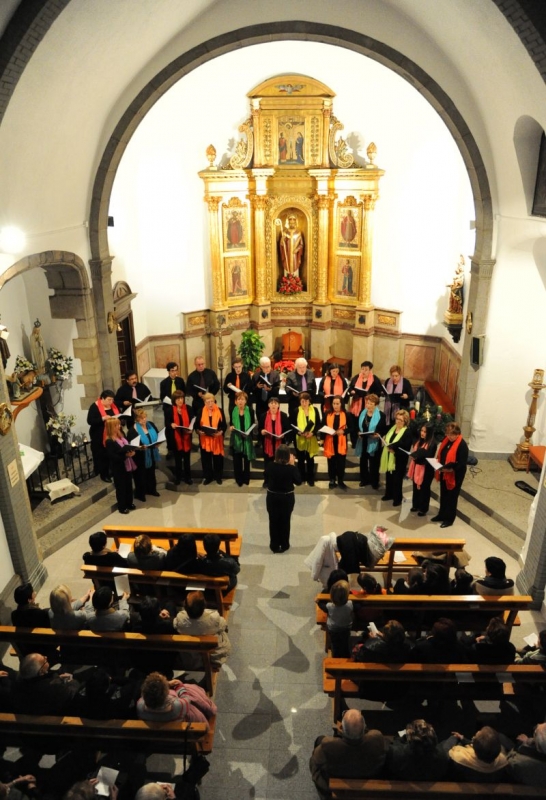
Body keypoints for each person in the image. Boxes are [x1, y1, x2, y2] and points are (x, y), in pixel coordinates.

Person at [309, 708, 386, 800]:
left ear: (342, 728)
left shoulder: (328, 746)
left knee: (318, 743)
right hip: (368, 775)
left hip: (336, 780)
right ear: (364, 727)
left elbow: (315, 760)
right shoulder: (376, 739)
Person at [173, 590, 231, 667]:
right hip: (212, 654)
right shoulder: (214, 617)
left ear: (185, 606)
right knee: (221, 631)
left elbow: (175, 625)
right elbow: (224, 625)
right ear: (204, 605)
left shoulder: (180, 617)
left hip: (190, 656)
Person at [137, 671, 217, 725]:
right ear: (166, 693)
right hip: (179, 740)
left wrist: (165, 685)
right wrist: (178, 685)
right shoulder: (177, 706)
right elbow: (186, 697)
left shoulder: (140, 705)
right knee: (190, 691)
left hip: (156, 739)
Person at [12, 653, 80, 715]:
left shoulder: (16, 685)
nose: (46, 657)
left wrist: (57, 678)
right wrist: (71, 681)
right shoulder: (53, 689)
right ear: (41, 672)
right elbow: (72, 692)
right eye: (44, 661)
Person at [265, 444, 302, 553]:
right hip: (287, 498)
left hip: (272, 497)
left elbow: (266, 477)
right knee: (285, 521)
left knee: (273, 521)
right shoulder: (291, 469)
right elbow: (298, 481)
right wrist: (293, 465)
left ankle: (274, 545)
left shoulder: (270, 466)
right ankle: (285, 544)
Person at [431, 422, 469, 528]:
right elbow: (442, 455)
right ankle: (441, 515)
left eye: (452, 435)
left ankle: (449, 519)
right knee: (444, 494)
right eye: (448, 434)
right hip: (444, 472)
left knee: (452, 497)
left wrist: (451, 469)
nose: (450, 437)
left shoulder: (462, 445)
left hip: (455, 475)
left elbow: (461, 464)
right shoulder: (446, 441)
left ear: (457, 433)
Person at [441, 726, 510, 782]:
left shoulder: (459, 758)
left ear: (473, 746)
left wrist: (454, 738)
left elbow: (445, 752)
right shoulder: (503, 762)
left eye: (474, 737)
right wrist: (463, 739)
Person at [104, 417, 137, 514]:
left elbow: (127, 447)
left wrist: (132, 452)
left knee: (128, 485)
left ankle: (129, 503)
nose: (119, 426)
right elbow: (112, 456)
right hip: (118, 467)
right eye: (117, 425)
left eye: (119, 424)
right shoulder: (109, 441)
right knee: (121, 487)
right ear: (111, 427)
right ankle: (122, 507)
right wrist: (125, 456)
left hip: (127, 465)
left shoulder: (121, 436)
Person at [379, 409, 412, 506]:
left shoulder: (407, 432)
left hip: (399, 458)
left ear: (405, 421)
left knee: (397, 479)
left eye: (401, 420)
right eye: (397, 419)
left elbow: (406, 447)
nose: (398, 421)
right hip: (389, 456)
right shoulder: (392, 428)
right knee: (389, 476)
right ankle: (389, 494)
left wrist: (395, 451)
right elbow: (388, 440)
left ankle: (397, 498)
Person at [86, 389, 120, 482]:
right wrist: (103, 418)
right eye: (109, 400)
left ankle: (112, 471)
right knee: (102, 454)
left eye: (112, 399)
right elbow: (90, 421)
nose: (111, 402)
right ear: (102, 399)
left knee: (112, 452)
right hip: (99, 434)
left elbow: (118, 414)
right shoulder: (94, 407)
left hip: (112, 433)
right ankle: (104, 474)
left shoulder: (113, 405)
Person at [128, 408, 160, 501]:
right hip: (140, 457)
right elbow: (131, 445)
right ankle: (140, 494)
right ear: (136, 419)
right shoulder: (133, 430)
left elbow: (157, 435)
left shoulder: (151, 425)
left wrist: (158, 442)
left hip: (151, 453)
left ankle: (152, 490)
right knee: (140, 475)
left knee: (151, 473)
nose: (144, 419)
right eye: (141, 418)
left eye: (145, 417)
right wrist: (140, 447)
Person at [347, 361, 383, 446]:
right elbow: (350, 388)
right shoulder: (356, 377)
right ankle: (354, 442)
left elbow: (379, 392)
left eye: (366, 369)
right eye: (362, 369)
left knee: (365, 423)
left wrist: (370, 395)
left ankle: (365, 441)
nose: (363, 371)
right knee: (355, 423)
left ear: (370, 370)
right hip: (356, 404)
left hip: (368, 405)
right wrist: (352, 391)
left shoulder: (374, 379)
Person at [355, 393, 386, 490]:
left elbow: (383, 429)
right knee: (363, 461)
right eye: (367, 403)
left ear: (376, 405)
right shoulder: (362, 413)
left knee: (374, 463)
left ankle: (374, 481)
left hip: (374, 442)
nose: (368, 406)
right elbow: (358, 426)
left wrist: (378, 434)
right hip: (363, 441)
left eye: (371, 404)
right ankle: (364, 479)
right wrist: (358, 432)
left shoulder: (381, 415)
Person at [196, 391, 226, 485]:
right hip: (205, 440)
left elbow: (224, 425)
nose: (210, 404)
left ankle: (218, 477)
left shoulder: (220, 411)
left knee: (218, 459)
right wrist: (199, 432)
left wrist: (220, 432)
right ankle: (208, 477)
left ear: (214, 401)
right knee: (206, 459)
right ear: (204, 402)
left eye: (212, 401)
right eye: (208, 402)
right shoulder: (200, 411)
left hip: (217, 439)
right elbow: (196, 426)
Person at [259, 395, 290, 487]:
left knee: (280, 464)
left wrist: (283, 435)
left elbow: (287, 429)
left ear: (278, 405)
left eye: (275, 403)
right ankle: (267, 481)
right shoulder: (263, 416)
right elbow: (260, 428)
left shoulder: (283, 416)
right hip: (268, 443)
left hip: (279, 444)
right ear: (268, 405)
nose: (273, 405)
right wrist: (262, 431)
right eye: (271, 403)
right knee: (268, 464)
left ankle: (279, 481)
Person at [290, 391, 320, 486]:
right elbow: (292, 425)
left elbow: (318, 424)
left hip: (311, 438)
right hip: (300, 438)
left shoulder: (314, 410)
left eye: (306, 401)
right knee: (301, 460)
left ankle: (310, 478)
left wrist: (313, 433)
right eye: (302, 401)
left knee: (310, 459)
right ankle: (301, 477)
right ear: (300, 401)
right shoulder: (296, 411)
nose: (304, 403)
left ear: (309, 401)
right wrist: (299, 432)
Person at [165, 389, 194, 485]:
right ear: (174, 400)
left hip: (186, 437)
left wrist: (191, 429)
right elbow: (167, 423)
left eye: (182, 398)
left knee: (187, 460)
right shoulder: (170, 410)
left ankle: (188, 477)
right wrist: (171, 424)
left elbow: (193, 421)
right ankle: (178, 477)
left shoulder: (188, 408)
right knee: (177, 460)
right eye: (178, 399)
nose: (180, 401)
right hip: (176, 438)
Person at [318, 579, 354, 658]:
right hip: (346, 627)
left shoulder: (330, 606)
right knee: (345, 640)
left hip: (333, 628)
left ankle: (335, 654)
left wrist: (318, 601)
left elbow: (321, 605)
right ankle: (346, 653)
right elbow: (358, 606)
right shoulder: (350, 604)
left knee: (334, 642)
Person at [408, 422, 437, 516]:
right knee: (415, 487)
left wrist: (417, 457)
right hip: (416, 467)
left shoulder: (432, 444)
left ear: (429, 433)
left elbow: (428, 457)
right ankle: (415, 505)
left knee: (424, 489)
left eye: (425, 432)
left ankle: (423, 509)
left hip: (426, 469)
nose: (422, 433)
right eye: (422, 431)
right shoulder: (419, 441)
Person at [159, 361, 186, 454]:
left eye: (176, 370)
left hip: (180, 407)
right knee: (169, 428)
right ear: (168, 371)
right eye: (172, 370)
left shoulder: (180, 381)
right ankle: (170, 448)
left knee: (181, 425)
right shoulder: (163, 383)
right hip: (169, 408)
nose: (175, 372)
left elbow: (184, 393)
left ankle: (182, 445)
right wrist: (170, 402)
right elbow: (162, 397)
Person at [229, 390, 255, 486]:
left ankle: (246, 478)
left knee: (247, 461)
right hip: (237, 438)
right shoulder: (233, 410)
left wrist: (249, 432)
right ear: (236, 401)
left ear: (246, 401)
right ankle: (239, 479)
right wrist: (231, 427)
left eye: (242, 399)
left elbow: (253, 423)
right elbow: (231, 423)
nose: (240, 401)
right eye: (239, 399)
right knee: (237, 461)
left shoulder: (250, 410)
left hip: (247, 438)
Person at [322, 395, 348, 490]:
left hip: (341, 441)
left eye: (337, 404)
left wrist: (344, 431)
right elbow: (323, 426)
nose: (335, 406)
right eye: (334, 404)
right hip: (330, 440)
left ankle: (340, 480)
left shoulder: (346, 414)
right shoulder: (327, 413)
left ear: (341, 404)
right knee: (331, 462)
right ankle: (332, 479)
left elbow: (352, 428)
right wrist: (322, 438)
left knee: (341, 463)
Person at [251, 356, 280, 421]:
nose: (267, 369)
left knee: (273, 421)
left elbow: (277, 390)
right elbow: (252, 390)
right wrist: (257, 387)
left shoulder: (275, 375)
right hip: (260, 403)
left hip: (272, 402)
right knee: (261, 421)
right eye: (264, 367)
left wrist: (270, 389)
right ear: (261, 366)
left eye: (268, 366)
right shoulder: (256, 375)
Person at [276, 212, 304, 277]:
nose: (292, 223)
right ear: (288, 223)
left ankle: (295, 279)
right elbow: (281, 245)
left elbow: (301, 244)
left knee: (294, 265)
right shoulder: (285, 232)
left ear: (295, 222)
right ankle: (286, 280)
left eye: (293, 222)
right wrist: (282, 239)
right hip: (287, 253)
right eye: (290, 222)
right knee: (287, 265)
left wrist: (297, 249)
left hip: (295, 254)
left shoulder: (298, 233)